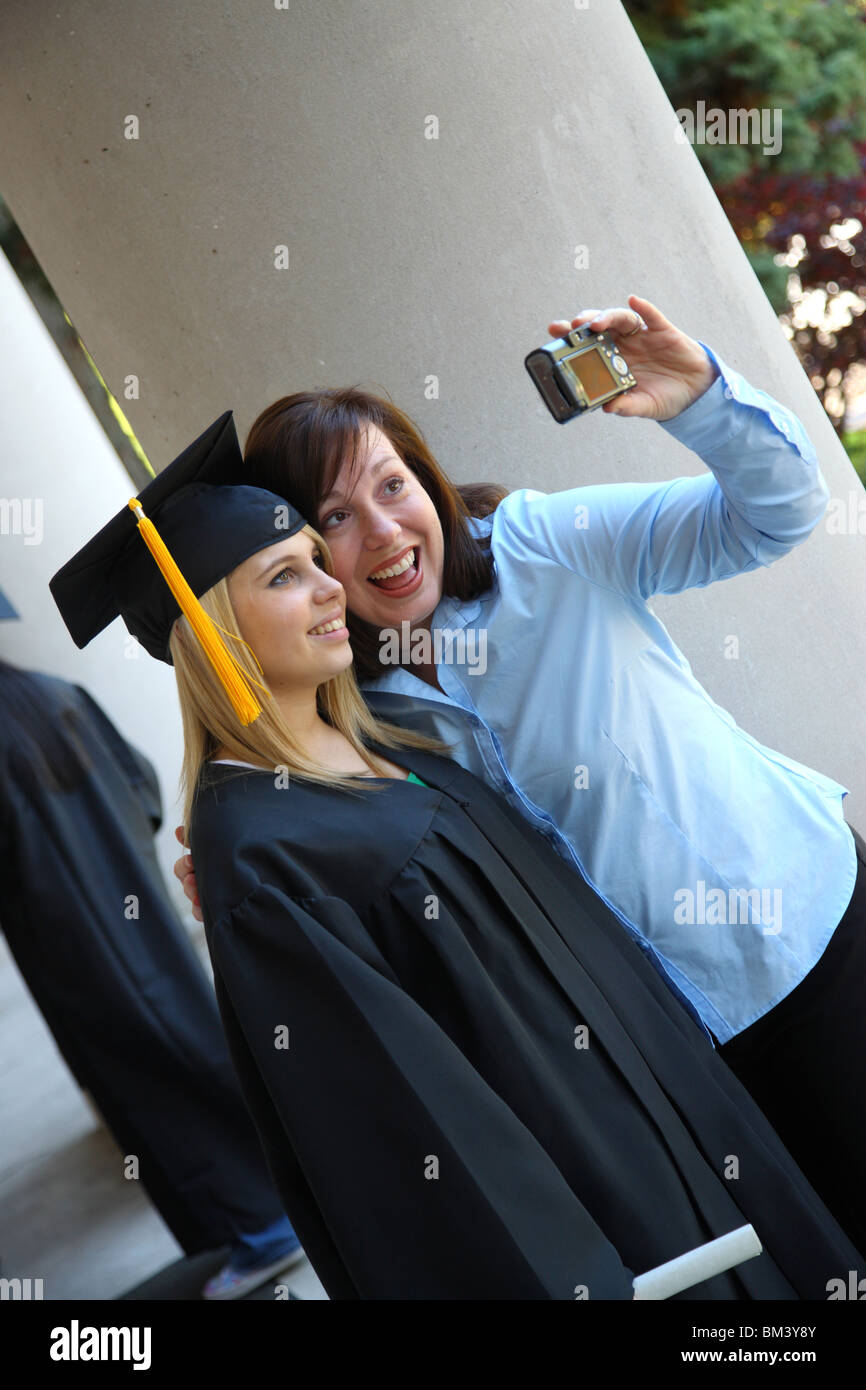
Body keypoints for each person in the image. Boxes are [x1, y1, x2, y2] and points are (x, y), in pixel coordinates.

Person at [49, 414, 865, 1299]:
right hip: (634, 1150)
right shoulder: (296, 810)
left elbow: (774, 510)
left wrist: (698, 398)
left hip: (788, 977)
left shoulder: (414, 706)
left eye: (390, 488)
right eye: (304, 558)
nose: (339, 576)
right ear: (211, 634)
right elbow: (399, 1121)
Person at [0, 656, 305, 1300]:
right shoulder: (57, 692)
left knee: (149, 1083)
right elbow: (142, 788)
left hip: (67, 945)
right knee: (195, 1037)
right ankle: (288, 1203)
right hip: (134, 904)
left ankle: (260, 1228)